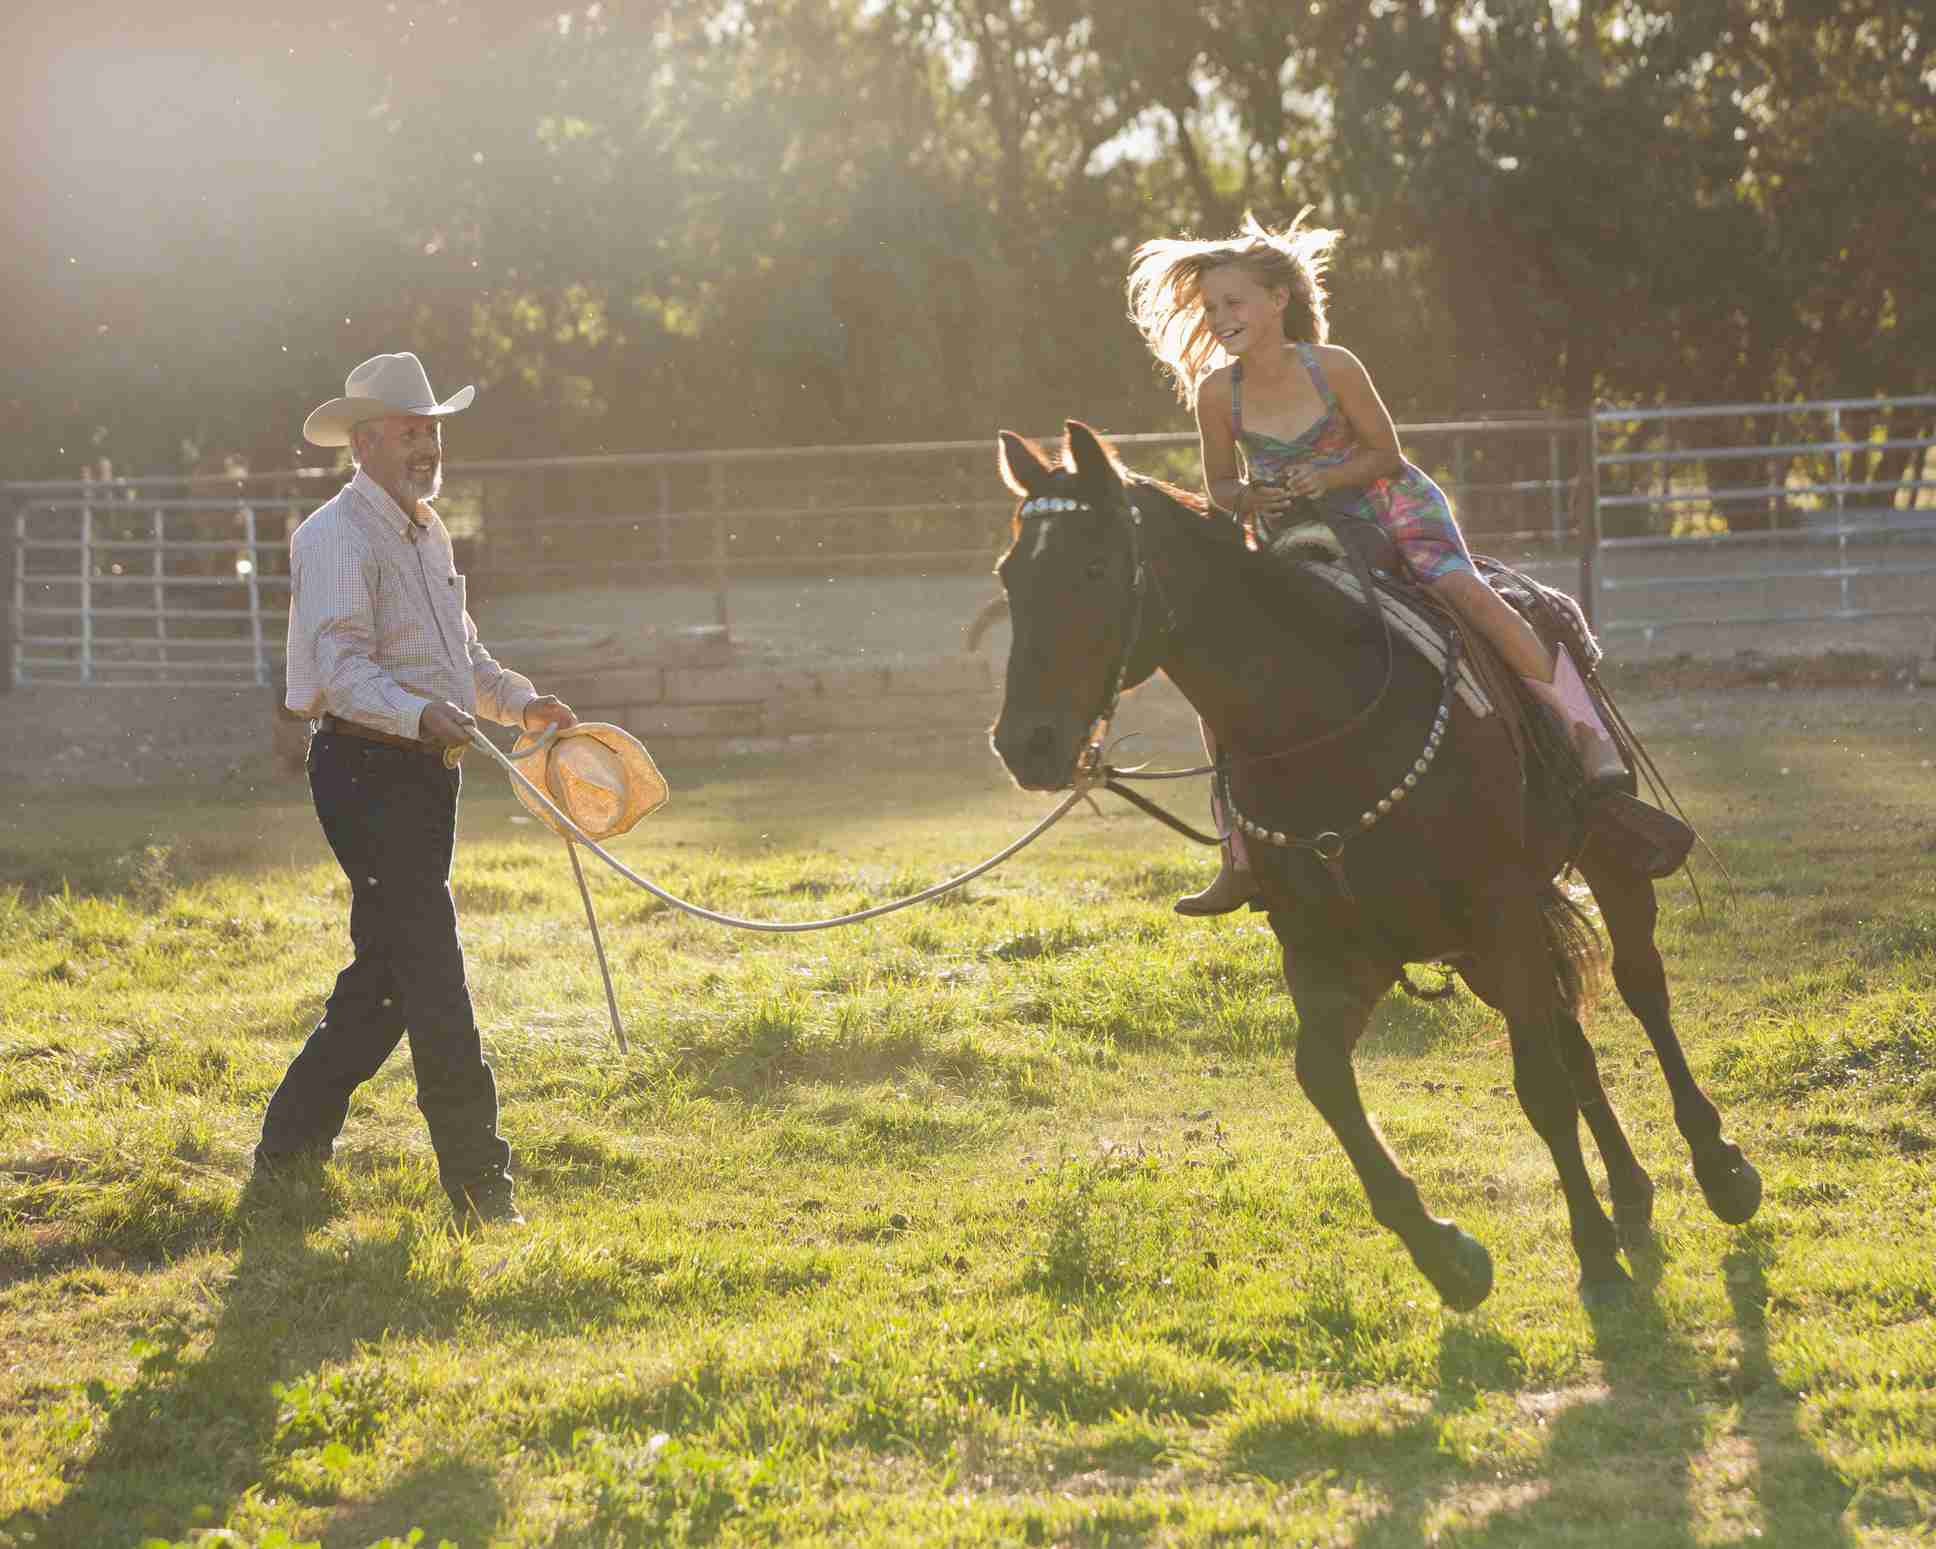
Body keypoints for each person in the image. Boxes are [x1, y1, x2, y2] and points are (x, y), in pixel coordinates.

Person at [1126, 214, 1630, 915]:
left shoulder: (1334, 368)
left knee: (1465, 592)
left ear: (1278, 301)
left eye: (1233, 301)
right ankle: (1238, 847)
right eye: (1211, 307)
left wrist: (1324, 481)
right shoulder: (1218, 395)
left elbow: (1384, 455)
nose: (1219, 316)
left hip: (1388, 507)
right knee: (1228, 664)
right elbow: (1221, 486)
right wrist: (1255, 494)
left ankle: (1584, 733)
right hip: (1296, 530)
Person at [255, 351, 576, 1229]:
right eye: (410, 430)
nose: (427, 443)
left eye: (432, 429)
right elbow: (342, 672)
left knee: (388, 980)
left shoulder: (426, 532)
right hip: (364, 769)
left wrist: (516, 702)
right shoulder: (333, 536)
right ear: (365, 442)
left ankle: (287, 1147)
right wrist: (422, 714)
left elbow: (459, 655)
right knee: (432, 970)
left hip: (423, 769)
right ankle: (481, 1183)